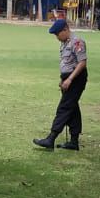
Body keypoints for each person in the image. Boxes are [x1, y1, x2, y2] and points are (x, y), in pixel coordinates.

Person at [33, 18, 87, 151]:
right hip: (68, 79)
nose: (57, 37)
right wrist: (63, 79)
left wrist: (70, 79)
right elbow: (66, 63)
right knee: (72, 109)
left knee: (64, 108)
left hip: (76, 79)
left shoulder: (77, 42)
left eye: (58, 34)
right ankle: (74, 142)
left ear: (65, 29)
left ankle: (51, 138)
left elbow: (82, 63)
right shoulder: (64, 43)